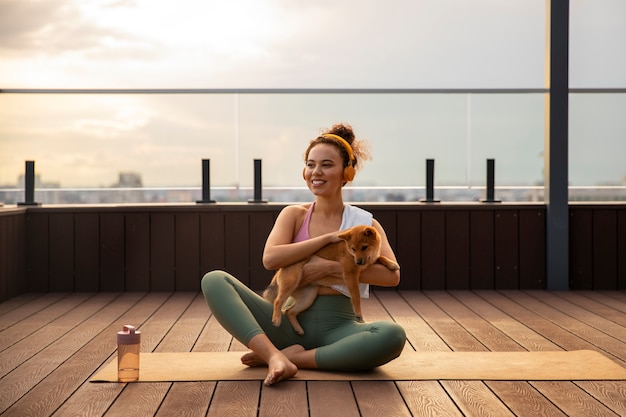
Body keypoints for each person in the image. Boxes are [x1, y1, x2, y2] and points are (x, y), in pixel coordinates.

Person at [201, 123, 406, 386]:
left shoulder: (366, 224)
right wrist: (326, 240)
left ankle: (287, 358)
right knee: (214, 280)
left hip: (340, 329)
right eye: (310, 164)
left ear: (347, 173)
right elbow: (270, 259)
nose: (316, 172)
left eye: (327, 165)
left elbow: (392, 277)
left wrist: (327, 269)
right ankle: (275, 354)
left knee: (392, 335)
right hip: (286, 323)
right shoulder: (294, 215)